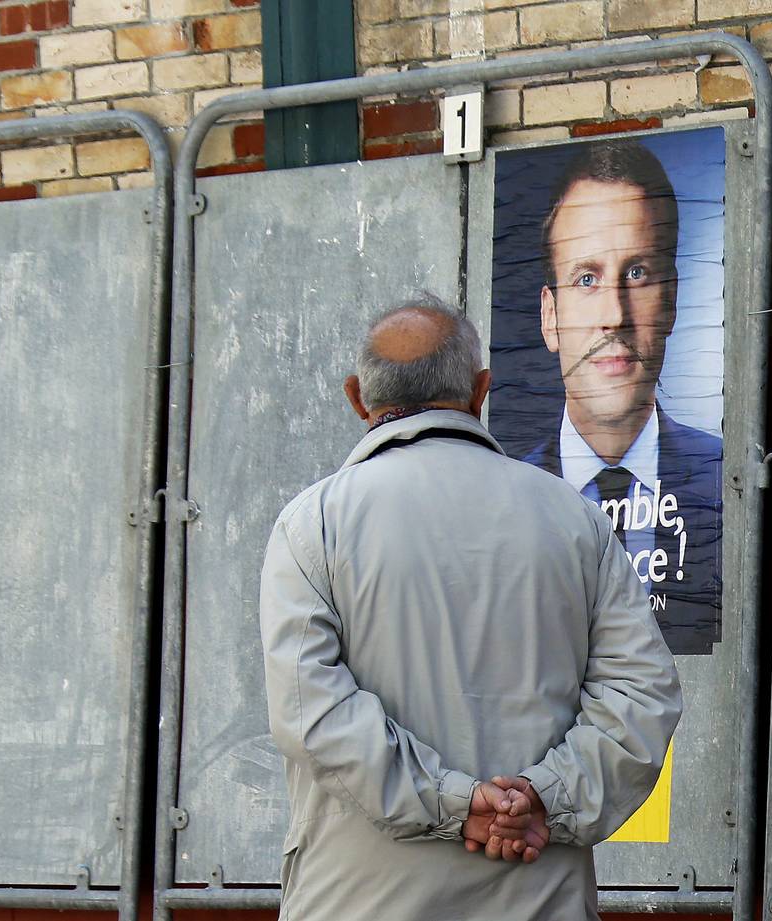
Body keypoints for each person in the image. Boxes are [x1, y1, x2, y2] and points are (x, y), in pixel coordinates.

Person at [259, 301, 681, 921]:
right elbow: (642, 695)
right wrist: (542, 799)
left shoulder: (314, 525)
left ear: (357, 398)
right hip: (540, 899)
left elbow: (312, 713)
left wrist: (456, 804)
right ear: (481, 391)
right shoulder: (576, 520)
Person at [523, 140, 723, 656]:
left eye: (637, 274)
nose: (614, 314)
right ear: (551, 317)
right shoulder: (503, 501)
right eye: (586, 279)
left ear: (671, 301)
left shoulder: (726, 484)